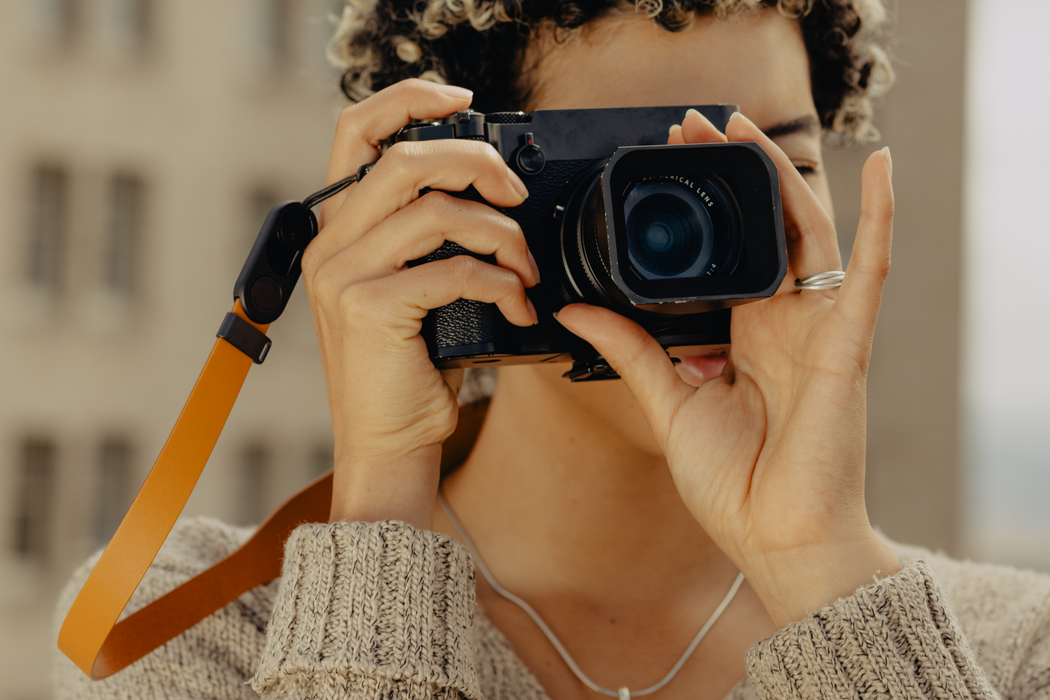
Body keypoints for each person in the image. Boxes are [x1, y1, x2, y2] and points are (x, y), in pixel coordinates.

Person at [55, 1, 1050, 698]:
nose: (698, 246)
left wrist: (822, 570)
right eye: (638, 186)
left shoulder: (1011, 654)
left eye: (768, 167)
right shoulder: (193, 629)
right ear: (444, 196)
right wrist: (381, 522)